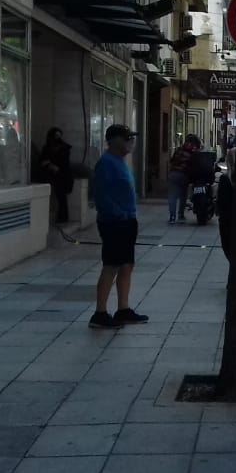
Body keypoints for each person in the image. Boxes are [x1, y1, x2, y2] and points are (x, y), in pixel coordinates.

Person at [90, 125, 148, 329]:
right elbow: (101, 195)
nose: (130, 142)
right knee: (111, 265)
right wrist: (118, 214)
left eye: (131, 138)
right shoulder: (106, 163)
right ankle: (100, 312)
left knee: (126, 265)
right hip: (114, 222)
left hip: (127, 221)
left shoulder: (121, 162)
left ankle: (123, 309)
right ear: (113, 140)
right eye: (126, 138)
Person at [38, 127, 74, 224]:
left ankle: (62, 218)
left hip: (62, 176)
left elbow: (64, 164)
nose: (57, 138)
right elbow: (42, 161)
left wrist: (56, 167)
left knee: (61, 197)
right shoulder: (46, 148)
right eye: (55, 136)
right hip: (49, 175)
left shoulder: (64, 148)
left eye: (59, 136)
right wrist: (49, 165)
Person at [167, 134, 200, 224]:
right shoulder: (193, 151)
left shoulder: (179, 149)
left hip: (173, 173)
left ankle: (172, 217)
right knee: (183, 196)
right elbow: (195, 164)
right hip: (184, 175)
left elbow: (172, 161)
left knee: (172, 196)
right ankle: (181, 215)